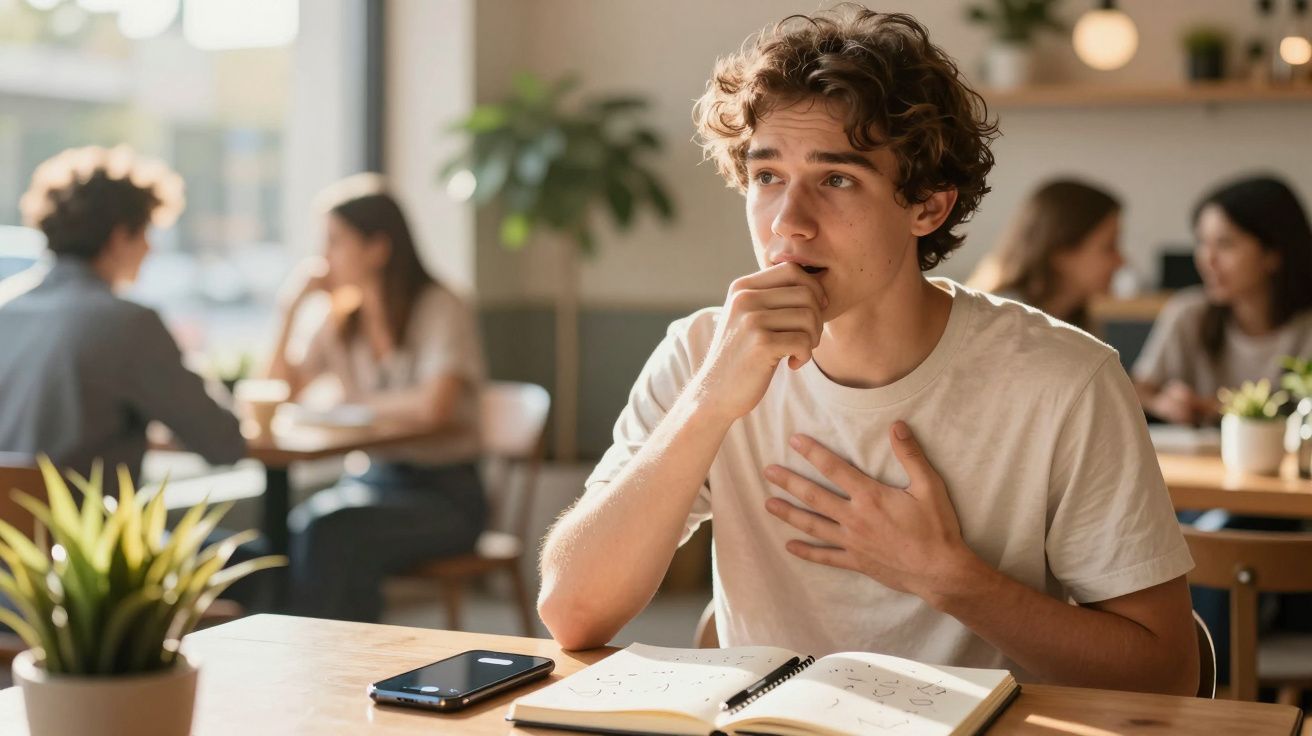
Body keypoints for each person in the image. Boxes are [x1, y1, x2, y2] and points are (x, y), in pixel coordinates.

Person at [537, 7, 1198, 695]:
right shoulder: (701, 352)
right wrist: (707, 404)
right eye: (767, 177)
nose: (789, 222)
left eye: (837, 179)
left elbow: (1168, 678)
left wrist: (950, 578)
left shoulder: (1065, 379)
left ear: (928, 207)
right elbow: (572, 612)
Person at [267, 174, 487, 622]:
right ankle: (316, 651)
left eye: (335, 242)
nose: (322, 257)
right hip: (373, 482)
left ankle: (343, 653)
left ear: (378, 248)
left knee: (334, 532)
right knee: (301, 529)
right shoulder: (340, 318)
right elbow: (277, 393)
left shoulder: (440, 306)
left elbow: (435, 406)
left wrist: (354, 403)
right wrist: (289, 310)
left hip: (445, 496)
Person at [0, 145, 246, 482]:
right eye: (145, 233)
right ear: (119, 237)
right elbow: (224, 443)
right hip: (85, 517)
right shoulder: (128, 324)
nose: (150, 248)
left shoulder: (7, 306)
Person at [1133, 175, 1312, 426]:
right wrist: (1163, 402)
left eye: (1225, 244)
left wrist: (1216, 408)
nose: (1207, 259)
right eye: (1202, 242)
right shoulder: (1188, 313)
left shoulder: (1305, 329)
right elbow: (1139, 389)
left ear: (1273, 253)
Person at [968, 179, 1123, 332]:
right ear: (1061, 250)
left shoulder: (1077, 323)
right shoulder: (1000, 323)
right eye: (1109, 247)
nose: (1121, 261)